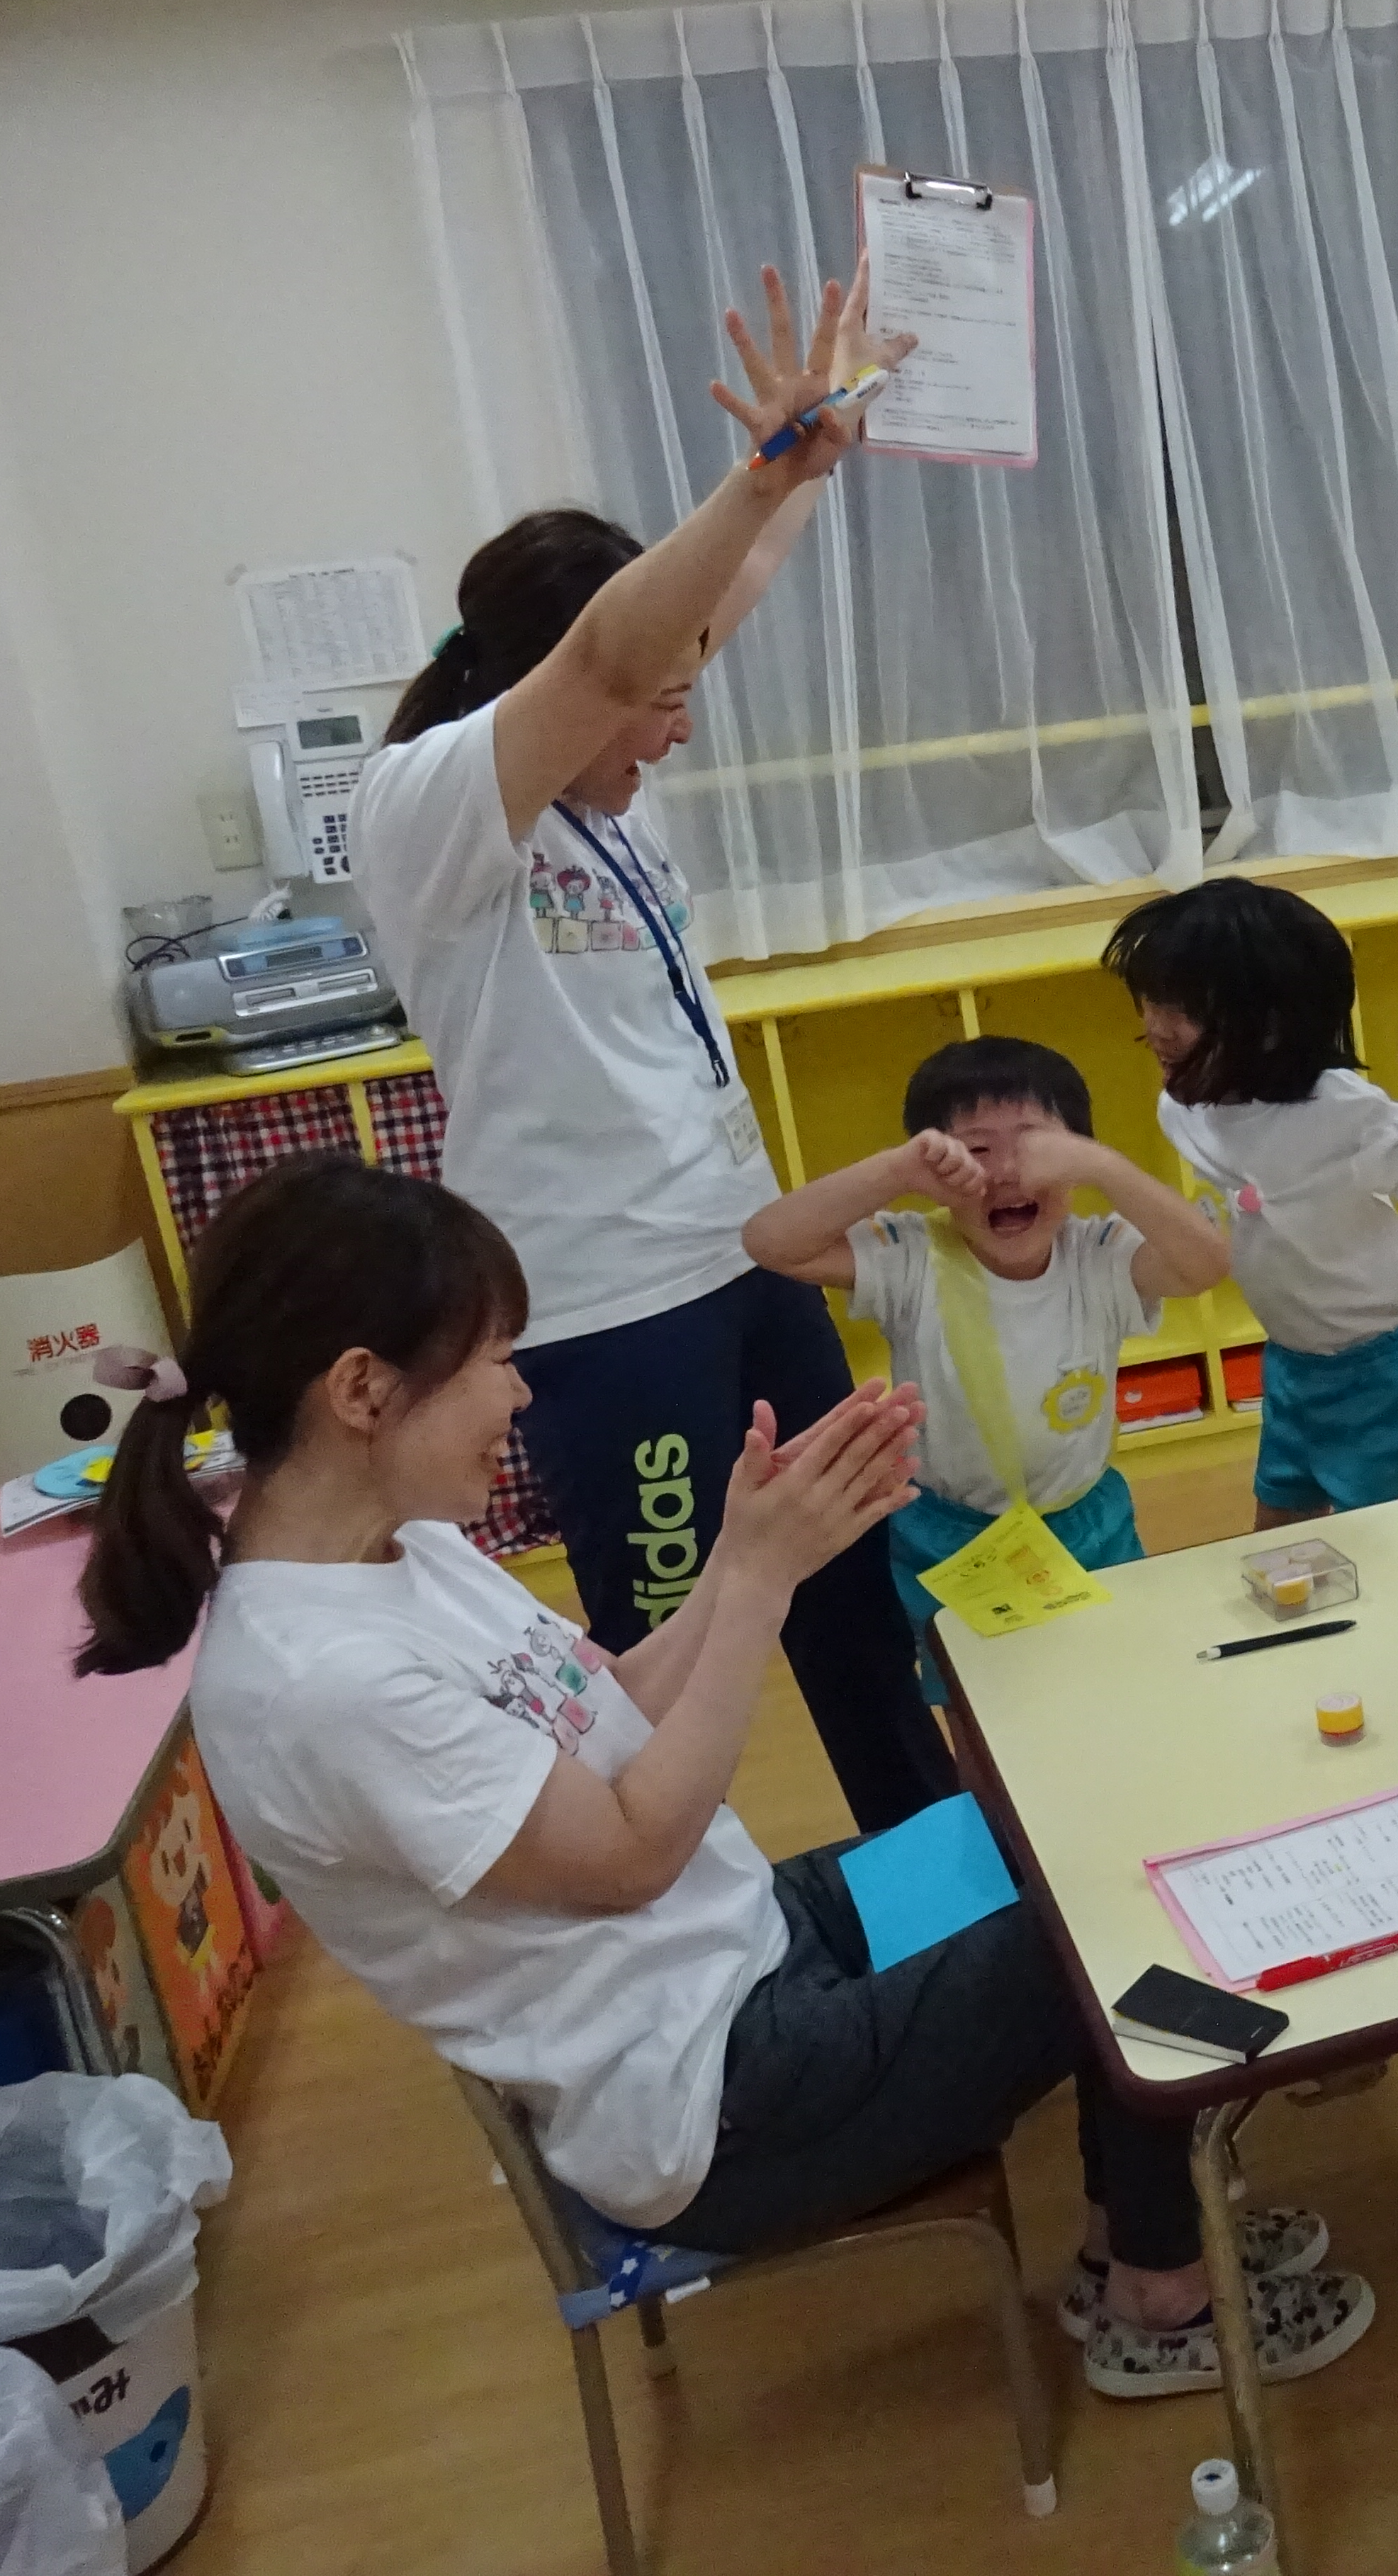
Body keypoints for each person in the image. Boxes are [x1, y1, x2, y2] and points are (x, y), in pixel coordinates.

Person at [73, 1156, 1375, 2400]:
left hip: (745, 1944)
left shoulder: (395, 1551)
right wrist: (756, 1585)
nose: (518, 1396)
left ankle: (1130, 2234)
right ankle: (1162, 2299)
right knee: (1109, 1927)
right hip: (715, 2091)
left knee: (1060, 1825)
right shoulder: (319, 1680)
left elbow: (610, 1704)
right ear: (362, 1390)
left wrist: (751, 1551)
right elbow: (632, 1849)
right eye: (493, 1361)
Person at [349, 264, 951, 1834]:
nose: (680, 723)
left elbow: (685, 625)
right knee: (672, 1667)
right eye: (661, 697)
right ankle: (686, 1942)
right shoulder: (430, 805)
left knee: (852, 1600)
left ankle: (950, 1910)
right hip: (609, 1307)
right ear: (554, 681)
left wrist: (816, 461)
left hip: (743, 1257)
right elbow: (617, 663)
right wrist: (754, 469)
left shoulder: (609, 790)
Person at [740, 1039, 1230, 1688]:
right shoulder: (913, 1257)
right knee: (973, 1696)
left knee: (1119, 1677)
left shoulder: (1100, 1254)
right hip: (946, 1536)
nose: (1005, 1173)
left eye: (1034, 1148)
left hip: (1087, 1522)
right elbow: (770, 1242)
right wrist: (897, 1171)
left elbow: (1206, 1264)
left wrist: (1105, 1167)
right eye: (974, 1152)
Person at [1101, 876, 1398, 1526]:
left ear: (1270, 1025)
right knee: (1277, 1546)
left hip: (1389, 1373)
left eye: (1179, 1009)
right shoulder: (1182, 1110)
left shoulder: (1343, 1110)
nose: (1155, 1026)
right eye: (1150, 1003)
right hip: (1291, 1365)